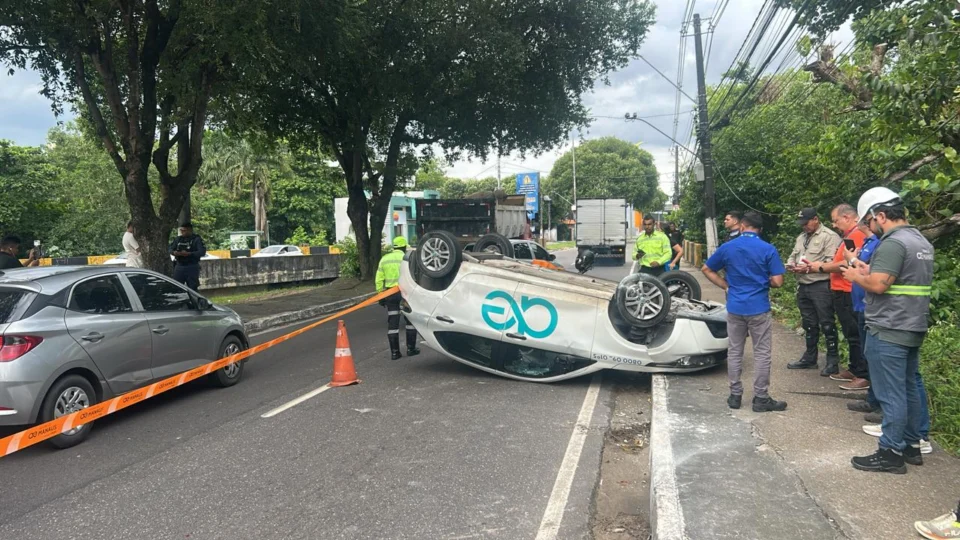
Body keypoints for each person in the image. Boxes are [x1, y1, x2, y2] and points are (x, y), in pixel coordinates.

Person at [843, 187, 934, 474]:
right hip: (911, 325)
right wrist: (866, 267)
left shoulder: (893, 243)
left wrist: (854, 274)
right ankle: (911, 445)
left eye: (869, 222)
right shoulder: (919, 240)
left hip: (889, 327)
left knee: (890, 392)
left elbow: (880, 285)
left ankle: (890, 452)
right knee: (909, 386)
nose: (870, 228)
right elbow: (895, 277)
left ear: (880, 215)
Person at [702, 211, 788, 413]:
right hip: (758, 307)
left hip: (735, 307)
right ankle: (760, 398)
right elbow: (778, 281)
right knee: (762, 353)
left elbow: (707, 269)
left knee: (735, 351)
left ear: (741, 227)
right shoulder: (768, 249)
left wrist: (725, 285)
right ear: (760, 230)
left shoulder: (728, 248)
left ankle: (735, 396)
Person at [807, 204, 868, 389]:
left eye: (836, 220)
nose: (834, 224)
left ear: (848, 217)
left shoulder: (857, 234)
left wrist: (821, 267)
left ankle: (862, 373)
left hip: (848, 290)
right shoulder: (848, 237)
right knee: (850, 333)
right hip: (840, 289)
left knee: (855, 333)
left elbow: (847, 262)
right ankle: (854, 367)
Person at [786, 207, 842, 375]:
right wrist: (791, 265)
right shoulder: (801, 237)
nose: (804, 227)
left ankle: (832, 361)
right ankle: (810, 358)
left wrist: (810, 269)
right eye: (801, 224)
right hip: (803, 285)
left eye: (806, 223)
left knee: (827, 323)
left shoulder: (829, 237)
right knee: (809, 324)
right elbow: (793, 255)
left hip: (821, 285)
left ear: (816, 219)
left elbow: (832, 262)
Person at [376, 236, 419, 360]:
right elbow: (415, 276)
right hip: (406, 294)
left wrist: (380, 294)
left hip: (390, 294)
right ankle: (411, 349)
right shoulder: (407, 259)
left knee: (393, 321)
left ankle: (395, 353)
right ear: (404, 247)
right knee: (410, 321)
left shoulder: (384, 259)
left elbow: (379, 279)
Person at [169, 222, 206, 291]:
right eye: (181, 230)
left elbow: (201, 252)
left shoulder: (196, 239)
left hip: (191, 266)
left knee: (192, 288)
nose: (182, 232)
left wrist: (189, 254)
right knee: (176, 287)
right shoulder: (178, 239)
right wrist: (175, 253)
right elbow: (170, 249)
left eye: (184, 230)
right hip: (179, 265)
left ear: (190, 230)